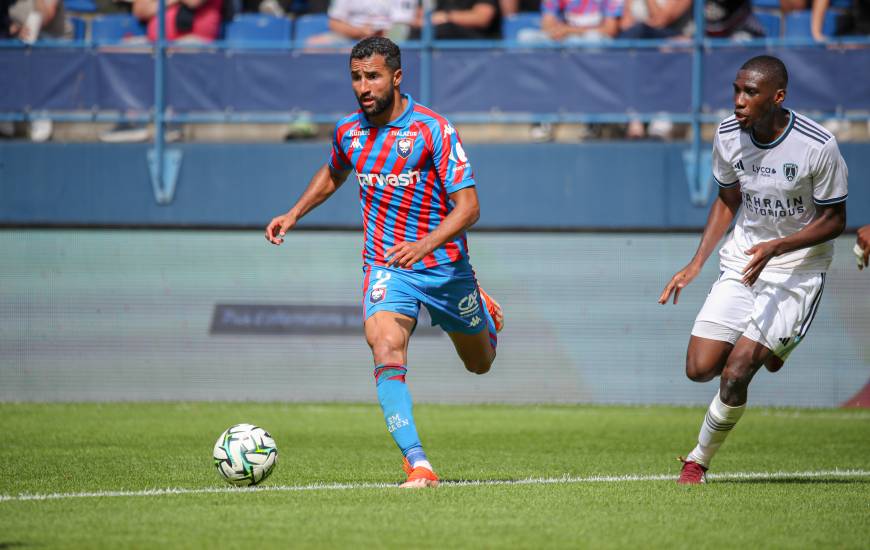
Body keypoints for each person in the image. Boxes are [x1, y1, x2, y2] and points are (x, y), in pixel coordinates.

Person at [265, 36, 503, 489]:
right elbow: (336, 169)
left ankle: (479, 304)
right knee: (385, 348)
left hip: (446, 268)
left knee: (480, 363)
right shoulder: (349, 132)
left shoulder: (433, 129)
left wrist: (425, 244)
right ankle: (419, 464)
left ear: (396, 77)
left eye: (372, 76)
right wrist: (293, 213)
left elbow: (469, 207)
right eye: (355, 77)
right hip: (387, 268)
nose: (363, 87)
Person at [658, 55, 848, 484]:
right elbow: (728, 200)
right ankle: (772, 345)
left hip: (797, 269)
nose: (738, 101)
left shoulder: (817, 146)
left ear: (777, 97)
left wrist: (779, 245)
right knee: (699, 367)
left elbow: (836, 220)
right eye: (736, 90)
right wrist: (696, 262)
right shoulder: (727, 135)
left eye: (750, 92)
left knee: (737, 369)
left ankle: (697, 461)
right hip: (744, 260)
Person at [431, 0, 501, 39]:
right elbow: (423, 17)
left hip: (474, 48)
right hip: (434, 53)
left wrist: (446, 16)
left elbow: (482, 18)